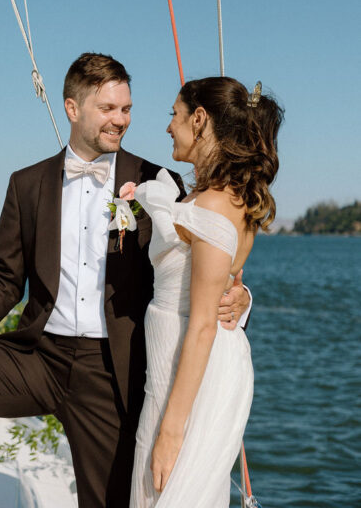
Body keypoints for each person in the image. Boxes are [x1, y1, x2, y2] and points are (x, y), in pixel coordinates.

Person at [0, 54, 250, 508]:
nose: (121, 120)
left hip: (111, 370)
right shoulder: (26, 184)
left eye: (127, 109)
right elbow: (2, 279)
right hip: (38, 356)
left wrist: (241, 298)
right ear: (73, 109)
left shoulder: (158, 180)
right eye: (108, 109)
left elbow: (206, 267)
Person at [130, 76, 283, 507]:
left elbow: (202, 325)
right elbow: (226, 284)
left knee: (164, 488)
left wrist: (172, 430)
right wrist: (244, 296)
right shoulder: (219, 196)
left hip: (192, 368)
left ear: (199, 119)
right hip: (178, 360)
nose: (168, 127)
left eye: (174, 116)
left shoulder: (215, 203)